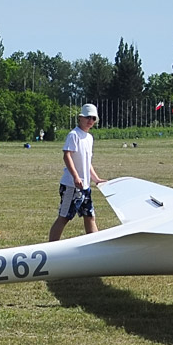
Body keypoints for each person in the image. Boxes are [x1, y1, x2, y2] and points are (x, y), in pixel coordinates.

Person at [49, 103, 107, 241]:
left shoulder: (89, 138)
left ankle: (96, 246)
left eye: (93, 118)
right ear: (80, 118)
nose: (90, 121)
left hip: (85, 186)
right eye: (88, 117)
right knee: (64, 217)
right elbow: (67, 155)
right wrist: (75, 177)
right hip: (71, 186)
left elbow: (87, 162)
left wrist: (96, 179)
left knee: (90, 216)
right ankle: (51, 247)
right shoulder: (74, 135)